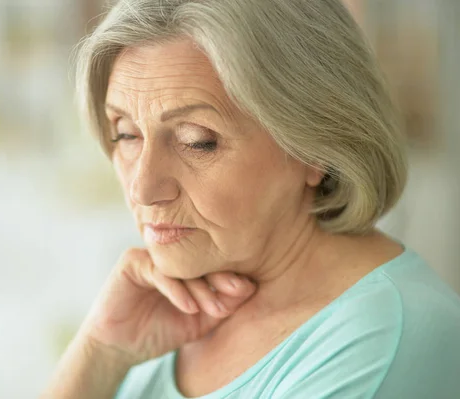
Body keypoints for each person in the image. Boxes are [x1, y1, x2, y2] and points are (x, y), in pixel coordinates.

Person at [40, 0, 460, 398]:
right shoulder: (162, 309)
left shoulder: (381, 340)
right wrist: (100, 351)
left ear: (315, 147)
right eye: (126, 134)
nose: (141, 189)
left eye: (197, 141)